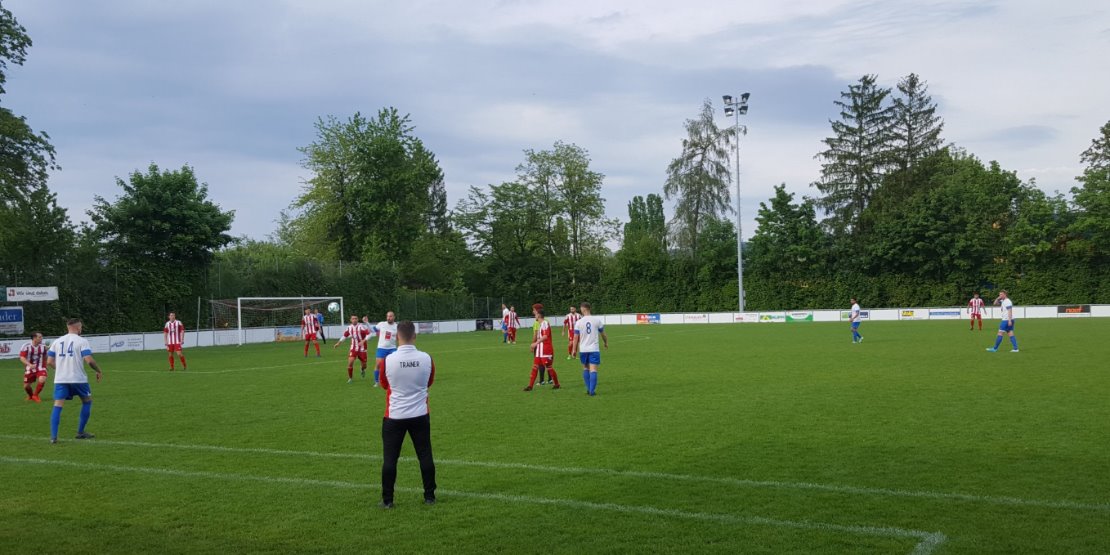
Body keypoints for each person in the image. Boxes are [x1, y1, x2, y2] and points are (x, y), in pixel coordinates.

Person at [379, 321, 436, 508]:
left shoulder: (388, 360)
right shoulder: (426, 358)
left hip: (394, 415)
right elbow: (429, 382)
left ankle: (388, 500)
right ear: (415, 336)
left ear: (397, 336)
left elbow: (384, 385)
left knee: (390, 459)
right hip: (420, 414)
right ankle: (429, 496)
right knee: (425, 455)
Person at [46, 318, 103, 444]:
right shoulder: (82, 341)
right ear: (77, 328)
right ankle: (80, 432)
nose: (81, 329)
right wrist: (98, 370)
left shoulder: (57, 341)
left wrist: (60, 369)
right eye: (81, 327)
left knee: (58, 405)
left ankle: (53, 437)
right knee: (87, 402)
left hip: (61, 379)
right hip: (78, 379)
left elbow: (49, 361)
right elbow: (89, 360)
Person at [572, 302, 608, 396]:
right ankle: (592, 391)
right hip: (594, 349)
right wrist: (605, 342)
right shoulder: (597, 320)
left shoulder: (579, 322)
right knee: (593, 370)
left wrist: (574, 350)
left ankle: (589, 389)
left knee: (585, 368)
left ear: (583, 309)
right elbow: (603, 334)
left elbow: (575, 338)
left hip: (583, 349)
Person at [524, 307, 560, 391]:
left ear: (539, 315)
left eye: (536, 314)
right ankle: (530, 386)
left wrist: (535, 343)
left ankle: (557, 384)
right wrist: (535, 345)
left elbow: (545, 336)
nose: (534, 316)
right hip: (539, 351)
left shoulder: (544, 323)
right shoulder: (540, 324)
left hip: (546, 350)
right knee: (535, 367)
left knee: (549, 367)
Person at [334, 314, 370, 383]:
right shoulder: (349, 328)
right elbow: (344, 336)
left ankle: (362, 369)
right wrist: (338, 343)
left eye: (356, 318)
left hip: (362, 349)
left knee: (364, 365)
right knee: (350, 362)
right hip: (353, 348)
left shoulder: (361, 327)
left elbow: (368, 334)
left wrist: (363, 341)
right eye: (353, 318)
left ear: (358, 319)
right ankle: (350, 378)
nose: (354, 320)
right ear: (350, 320)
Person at [371, 311, 399, 387]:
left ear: (394, 317)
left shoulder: (397, 326)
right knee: (378, 364)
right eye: (387, 316)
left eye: (390, 316)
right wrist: (367, 323)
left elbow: (398, 338)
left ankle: (393, 381)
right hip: (381, 348)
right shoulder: (382, 324)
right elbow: (373, 329)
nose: (389, 318)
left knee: (395, 365)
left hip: (392, 348)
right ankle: (377, 382)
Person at [20, 332, 48, 402]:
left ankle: (35, 395)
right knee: (26, 386)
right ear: (34, 338)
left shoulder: (43, 346)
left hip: (40, 367)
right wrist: (29, 364)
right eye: (40, 337)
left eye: (41, 337)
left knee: (42, 379)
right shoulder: (26, 346)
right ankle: (30, 396)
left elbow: (45, 356)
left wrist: (45, 366)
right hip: (30, 368)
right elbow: (22, 358)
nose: (41, 338)